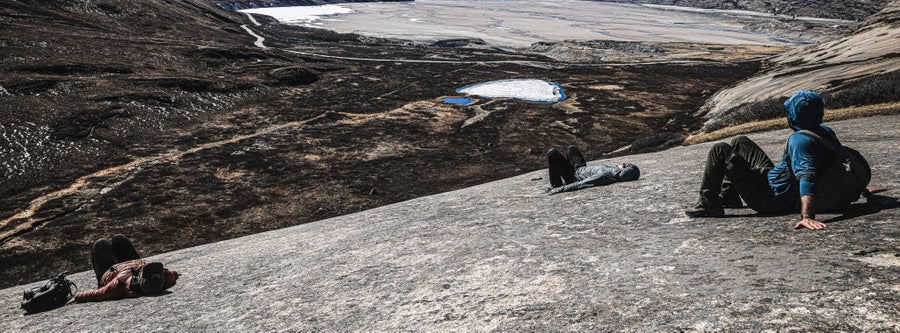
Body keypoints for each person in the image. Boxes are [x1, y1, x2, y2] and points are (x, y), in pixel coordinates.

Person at [684, 90, 885, 230]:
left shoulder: (799, 141)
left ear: (794, 117)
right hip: (775, 180)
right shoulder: (824, 132)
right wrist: (860, 188)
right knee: (739, 141)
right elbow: (842, 162)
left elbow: (807, 175)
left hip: (770, 198)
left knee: (720, 150)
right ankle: (729, 197)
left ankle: (708, 204)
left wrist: (807, 217)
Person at [67, 234, 179, 304]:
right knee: (118, 239)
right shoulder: (164, 277)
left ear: (140, 278)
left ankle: (102, 276)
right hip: (131, 263)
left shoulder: (120, 283)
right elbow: (172, 273)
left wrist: (76, 297)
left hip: (111, 272)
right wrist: (176, 274)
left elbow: (98, 294)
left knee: (101, 244)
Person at [546, 145, 640, 194]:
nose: (623, 164)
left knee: (552, 153)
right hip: (580, 167)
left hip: (572, 175)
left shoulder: (603, 176)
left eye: (625, 165)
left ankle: (555, 184)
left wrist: (560, 189)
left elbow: (581, 184)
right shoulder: (615, 171)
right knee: (572, 148)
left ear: (624, 171)